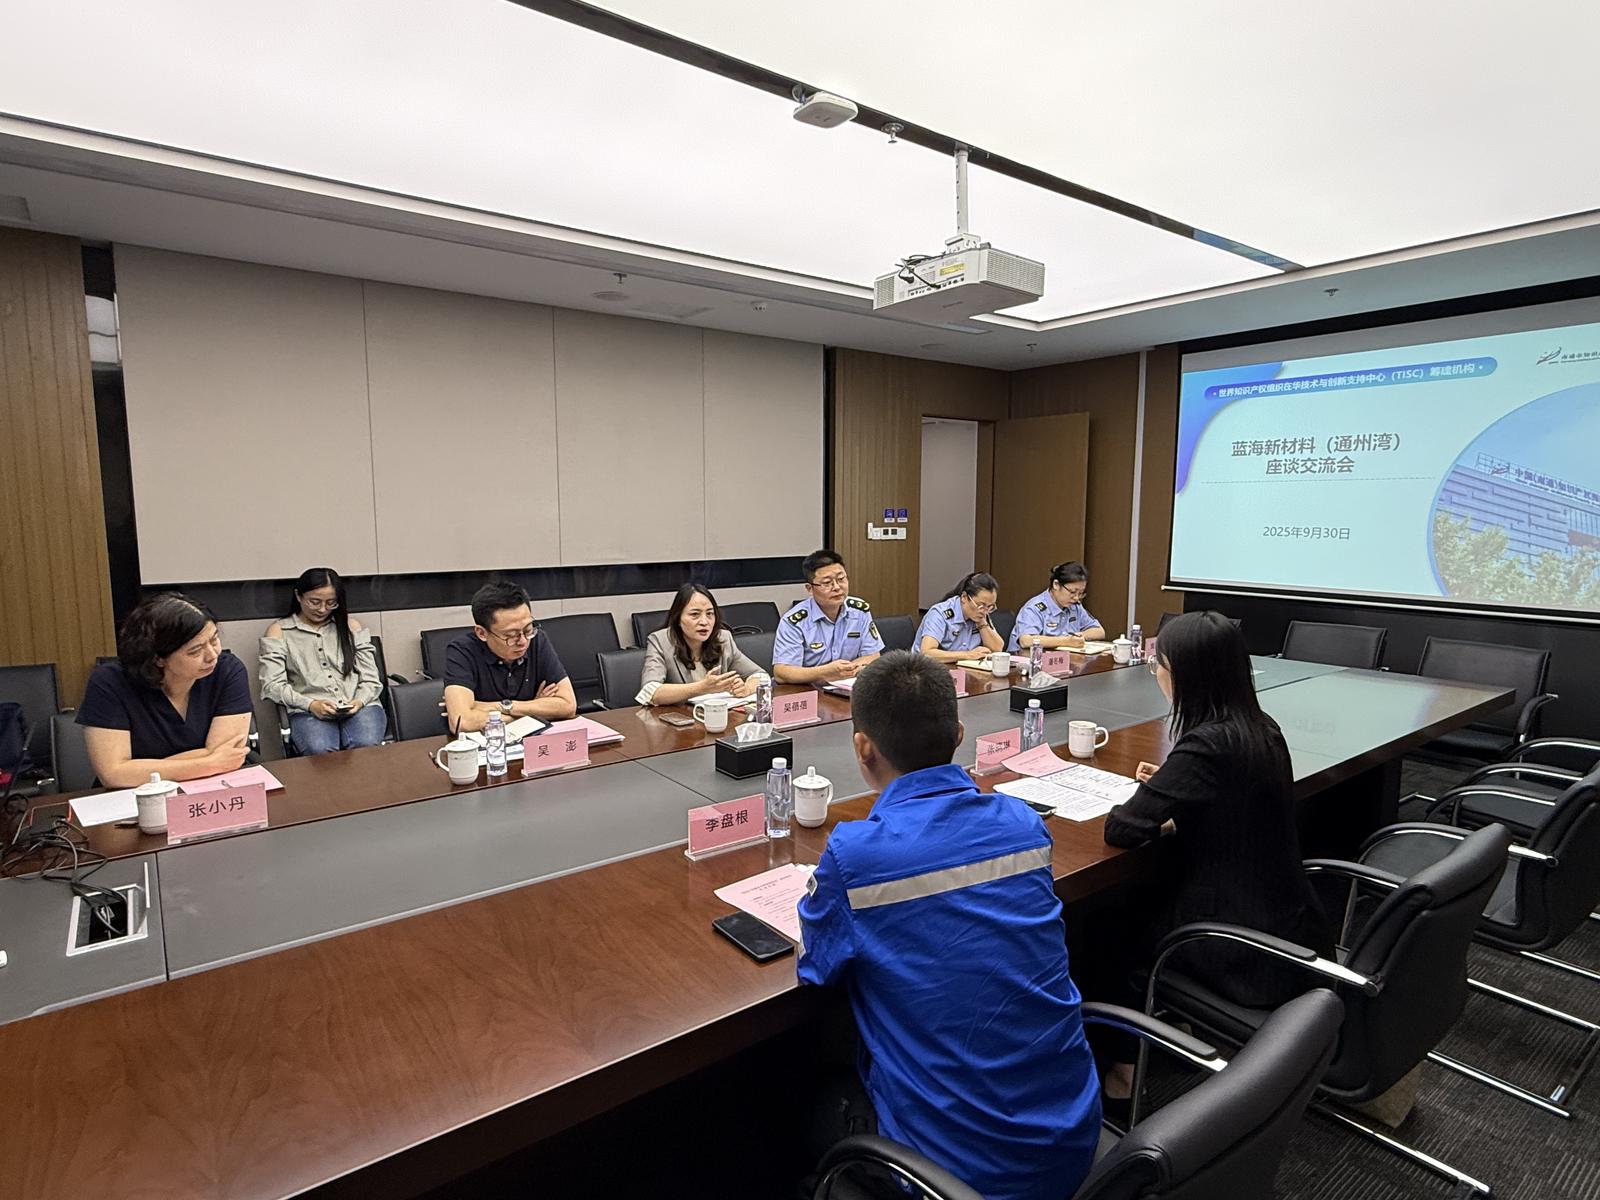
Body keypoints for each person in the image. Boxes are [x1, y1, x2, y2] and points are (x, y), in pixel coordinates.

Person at [798, 651, 1101, 1200]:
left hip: (955, 1177)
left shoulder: (855, 856)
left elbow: (817, 971)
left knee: (806, 1103)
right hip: (1072, 1140)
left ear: (862, 748)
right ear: (960, 735)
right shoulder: (1023, 823)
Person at [1097, 610, 1333, 1100]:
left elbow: (1123, 828)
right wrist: (1176, 791)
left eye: (1158, 665)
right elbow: (1234, 809)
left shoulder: (1206, 744)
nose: (1155, 674)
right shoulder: (1260, 727)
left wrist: (1164, 794)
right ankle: (1172, 1028)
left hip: (1240, 945)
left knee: (1110, 930)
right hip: (1289, 920)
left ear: (1185, 675)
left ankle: (1124, 1078)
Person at [77, 593, 253, 788]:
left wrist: (140, 770)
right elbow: (114, 774)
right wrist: (210, 763)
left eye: (214, 640)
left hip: (211, 789)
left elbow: (230, 754)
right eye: (195, 651)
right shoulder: (110, 682)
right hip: (132, 797)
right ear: (158, 658)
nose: (212, 655)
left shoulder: (227, 670)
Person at [258, 567, 386, 756]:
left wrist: (359, 702)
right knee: (319, 750)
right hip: (307, 710)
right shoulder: (279, 631)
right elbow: (272, 685)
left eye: (331, 603)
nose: (322, 609)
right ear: (298, 596)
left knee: (364, 744)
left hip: (360, 705)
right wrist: (311, 705)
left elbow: (371, 678)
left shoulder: (351, 626)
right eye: (315, 602)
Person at [443, 582, 577, 732]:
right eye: (511, 635)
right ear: (482, 633)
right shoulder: (461, 650)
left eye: (528, 630)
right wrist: (535, 709)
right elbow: (462, 722)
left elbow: (568, 706)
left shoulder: (537, 640)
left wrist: (505, 707)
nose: (523, 641)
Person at [635, 583, 769, 706]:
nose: (704, 622)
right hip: (679, 719)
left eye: (710, 614)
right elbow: (650, 692)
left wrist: (746, 689)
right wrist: (701, 688)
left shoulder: (723, 638)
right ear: (678, 618)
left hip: (717, 716)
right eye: (695, 614)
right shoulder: (660, 641)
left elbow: (762, 676)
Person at [772, 550, 883, 684]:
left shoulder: (859, 611)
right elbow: (782, 672)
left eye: (841, 579)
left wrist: (848, 670)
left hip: (848, 686)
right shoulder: (794, 621)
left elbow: (873, 655)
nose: (836, 587)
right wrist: (825, 672)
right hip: (810, 689)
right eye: (827, 583)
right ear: (809, 589)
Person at [1008, 561, 1106, 652]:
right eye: (1072, 592)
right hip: (1027, 661)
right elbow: (1026, 641)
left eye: (1080, 593)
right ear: (1056, 584)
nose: (1076, 598)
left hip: (1062, 660)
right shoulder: (1034, 608)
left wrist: (1080, 636)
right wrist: (1067, 641)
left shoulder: (1075, 607)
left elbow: (1099, 631)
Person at [913, 571, 1004, 662]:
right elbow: (927, 653)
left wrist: (981, 623)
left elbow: (997, 649)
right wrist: (968, 655)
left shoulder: (981, 614)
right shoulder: (939, 614)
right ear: (964, 597)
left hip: (961, 668)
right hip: (927, 668)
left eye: (990, 606)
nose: (985, 611)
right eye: (981, 605)